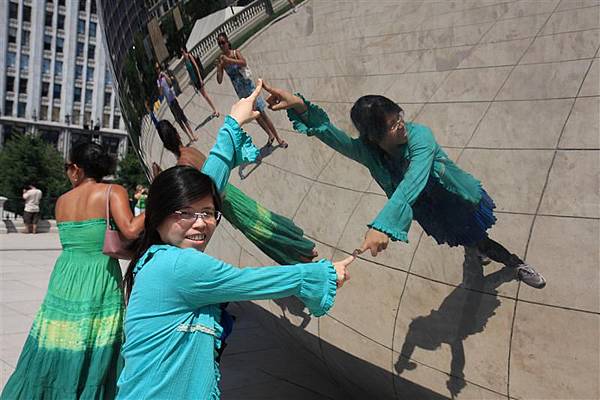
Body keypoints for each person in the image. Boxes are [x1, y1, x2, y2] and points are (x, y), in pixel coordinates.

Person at [116, 83, 354, 399]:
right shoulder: (179, 265)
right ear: (158, 215)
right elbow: (249, 281)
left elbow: (208, 186)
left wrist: (232, 125)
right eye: (185, 213)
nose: (200, 222)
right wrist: (319, 274)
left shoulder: (157, 254)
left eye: (208, 213)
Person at [260, 81, 546, 289]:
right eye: (393, 124)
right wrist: (300, 107)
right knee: (467, 238)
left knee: (476, 236)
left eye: (399, 117)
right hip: (430, 210)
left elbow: (413, 181)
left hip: (454, 197)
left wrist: (382, 223)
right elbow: (334, 138)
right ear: (374, 137)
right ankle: (477, 250)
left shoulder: (421, 137)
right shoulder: (370, 152)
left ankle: (515, 264)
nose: (402, 125)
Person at [1, 143, 145, 399]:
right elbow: (131, 230)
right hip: (99, 273)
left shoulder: (63, 200)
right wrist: (155, 201)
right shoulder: (113, 191)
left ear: (77, 169)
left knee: (58, 334)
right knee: (94, 335)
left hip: (66, 273)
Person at [155, 119, 317, 264]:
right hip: (231, 191)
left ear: (165, 144)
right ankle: (302, 247)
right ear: (177, 133)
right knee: (264, 218)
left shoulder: (182, 165)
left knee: (258, 230)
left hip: (225, 201)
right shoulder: (191, 151)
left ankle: (301, 255)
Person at [215, 32, 288, 148]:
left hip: (250, 89)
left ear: (228, 42)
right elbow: (219, 80)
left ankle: (279, 139)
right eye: (219, 44)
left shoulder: (235, 53)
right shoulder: (222, 62)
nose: (222, 45)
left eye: (223, 42)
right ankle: (270, 135)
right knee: (255, 115)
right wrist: (219, 67)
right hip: (242, 93)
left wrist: (229, 60)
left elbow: (244, 62)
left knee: (262, 114)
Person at [156, 62, 197, 142]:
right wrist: (160, 82)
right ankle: (189, 136)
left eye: (159, 68)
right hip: (170, 103)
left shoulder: (164, 77)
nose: (158, 70)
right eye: (157, 69)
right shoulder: (158, 81)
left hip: (173, 99)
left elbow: (170, 83)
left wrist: (164, 75)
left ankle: (192, 134)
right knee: (179, 120)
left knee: (183, 117)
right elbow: (161, 93)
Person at [181, 46, 220, 118]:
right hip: (194, 80)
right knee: (204, 96)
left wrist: (200, 78)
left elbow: (196, 66)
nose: (182, 54)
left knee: (205, 95)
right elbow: (189, 73)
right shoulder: (184, 61)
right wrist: (193, 85)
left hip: (198, 78)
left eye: (182, 52)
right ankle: (214, 109)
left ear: (184, 50)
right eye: (181, 53)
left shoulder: (189, 56)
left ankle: (215, 110)